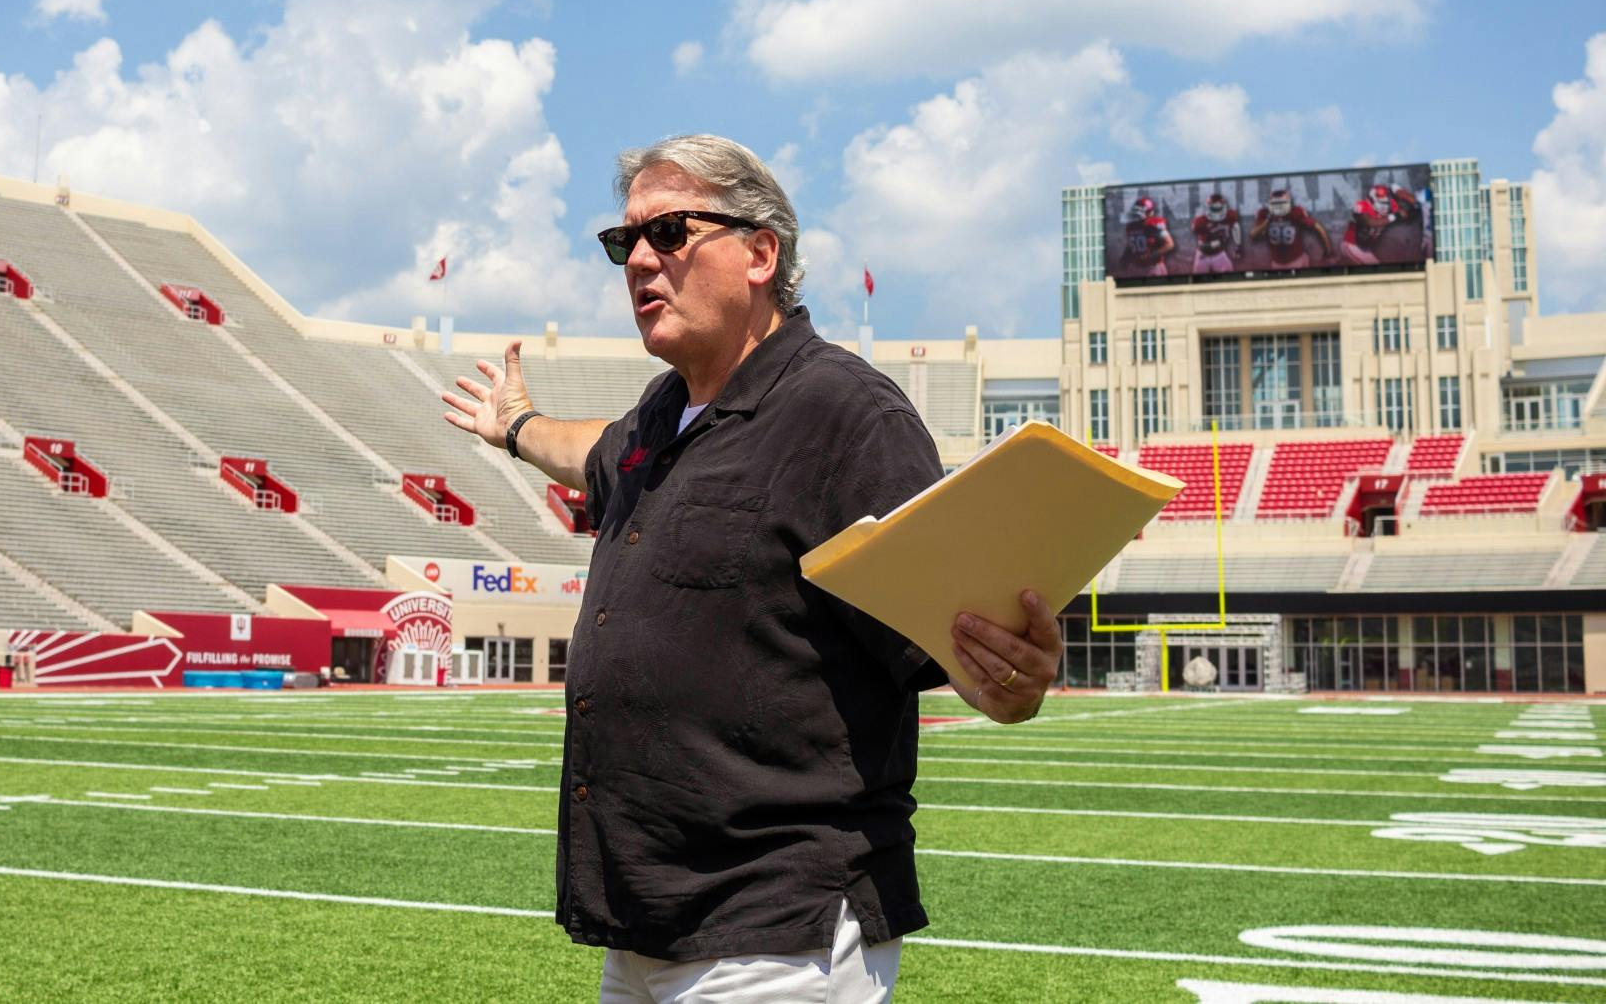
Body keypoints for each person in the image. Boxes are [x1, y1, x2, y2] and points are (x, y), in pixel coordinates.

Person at [440, 135, 1062, 1002]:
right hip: (648, 924)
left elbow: (952, 630)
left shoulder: (846, 414)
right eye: (626, 242)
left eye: (670, 233)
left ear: (760, 252)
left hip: (780, 935)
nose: (640, 261)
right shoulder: (664, 413)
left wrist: (1012, 678)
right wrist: (516, 426)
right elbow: (590, 451)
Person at [1249, 188, 1330, 271]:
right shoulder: (1265, 214)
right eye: (1276, 204)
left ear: (1289, 203)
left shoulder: (1295, 212)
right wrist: (1267, 220)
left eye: (1282, 203)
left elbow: (1317, 227)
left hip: (1297, 260)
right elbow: (1253, 235)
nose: (1279, 207)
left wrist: (1327, 248)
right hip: (1277, 263)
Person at [1190, 192, 1241, 275]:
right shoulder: (1200, 221)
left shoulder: (1230, 215)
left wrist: (1238, 246)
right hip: (1203, 254)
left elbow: (1236, 228)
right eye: (1214, 209)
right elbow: (1204, 246)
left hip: (1219, 253)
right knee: (1198, 280)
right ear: (1207, 207)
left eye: (1219, 209)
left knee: (1230, 277)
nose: (1217, 212)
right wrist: (1219, 242)